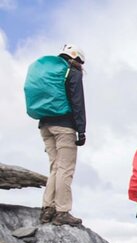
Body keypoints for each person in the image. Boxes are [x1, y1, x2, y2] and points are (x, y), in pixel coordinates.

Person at [25, 44, 87, 226]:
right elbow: (77, 102)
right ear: (77, 59)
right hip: (64, 126)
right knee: (65, 169)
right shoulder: (72, 71)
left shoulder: (48, 70)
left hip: (44, 125)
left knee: (55, 167)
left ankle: (47, 209)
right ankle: (62, 211)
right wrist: (81, 130)